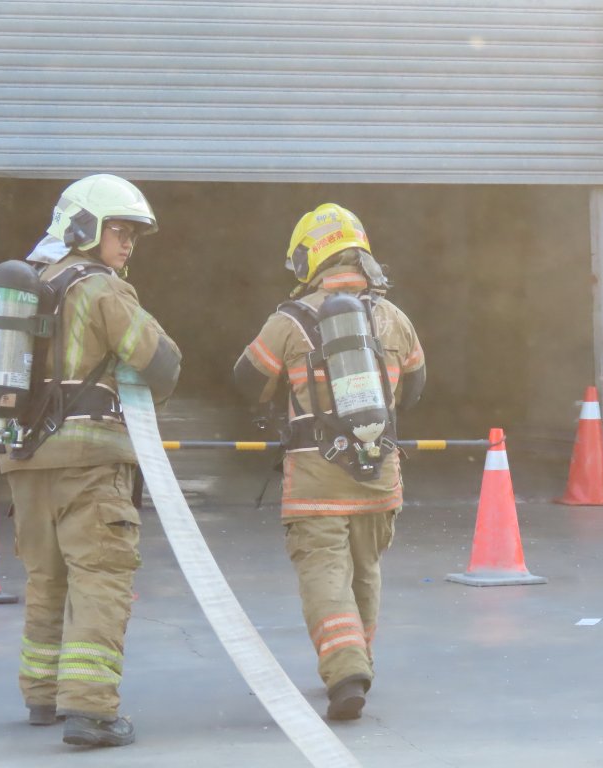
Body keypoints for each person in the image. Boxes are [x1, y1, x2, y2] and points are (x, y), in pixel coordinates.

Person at [0, 174, 181, 747]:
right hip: (89, 461)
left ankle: (41, 692)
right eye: (118, 230)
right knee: (100, 576)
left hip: (26, 458)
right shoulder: (101, 288)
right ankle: (92, 710)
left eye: (132, 234)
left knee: (46, 577)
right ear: (84, 229)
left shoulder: (35, 284)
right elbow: (159, 363)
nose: (127, 245)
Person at [233, 203, 425, 720]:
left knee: (324, 573)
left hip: (315, 477)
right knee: (365, 572)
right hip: (379, 475)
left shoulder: (290, 321)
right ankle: (358, 662)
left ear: (309, 259)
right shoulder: (393, 317)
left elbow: (246, 380)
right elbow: (415, 389)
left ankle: (345, 671)